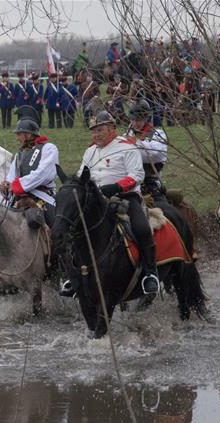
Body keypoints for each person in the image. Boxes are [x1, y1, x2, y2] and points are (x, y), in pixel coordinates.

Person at [75, 111, 158, 296]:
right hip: (96, 201)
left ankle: (150, 274)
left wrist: (116, 187)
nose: (96, 135)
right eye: (93, 131)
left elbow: (137, 175)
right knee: (73, 228)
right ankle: (73, 276)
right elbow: (82, 175)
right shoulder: (90, 152)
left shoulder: (126, 147)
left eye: (100, 130)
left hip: (126, 197)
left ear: (112, 128)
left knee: (142, 228)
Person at [0, 107, 60, 228]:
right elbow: (12, 177)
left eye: (19, 134)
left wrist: (17, 186)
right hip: (19, 199)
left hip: (43, 197)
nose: (17, 138)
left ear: (28, 134)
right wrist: (7, 185)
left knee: (57, 228)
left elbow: (43, 174)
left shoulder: (48, 148)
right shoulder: (19, 155)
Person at [126, 99, 169, 203]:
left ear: (146, 118)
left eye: (139, 120)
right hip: (130, 181)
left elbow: (154, 153)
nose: (136, 123)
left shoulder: (157, 134)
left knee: (162, 207)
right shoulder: (127, 135)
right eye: (133, 120)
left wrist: (133, 143)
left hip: (151, 182)